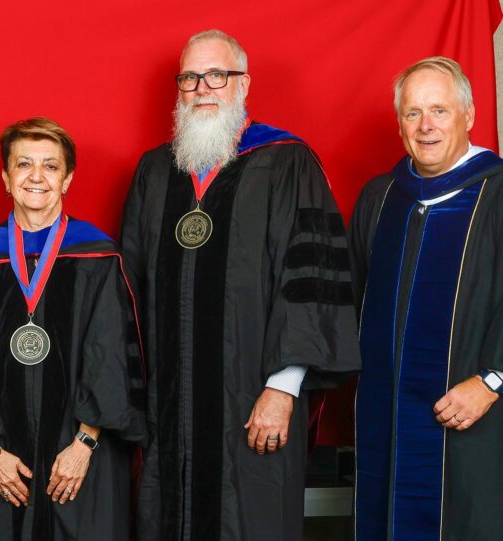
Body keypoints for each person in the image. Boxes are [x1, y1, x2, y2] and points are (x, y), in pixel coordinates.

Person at [119, 30, 360, 540]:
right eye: (189, 77)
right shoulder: (156, 171)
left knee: (251, 518)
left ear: (243, 83)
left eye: (216, 75)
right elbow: (131, 294)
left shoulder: (286, 162)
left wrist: (283, 386)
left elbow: (310, 279)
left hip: (255, 396)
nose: (202, 87)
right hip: (170, 403)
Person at [0, 117, 145, 540]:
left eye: (50, 166)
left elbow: (111, 355)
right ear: (6, 178)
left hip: (83, 458)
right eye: (23, 164)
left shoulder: (99, 257)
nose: (36, 176)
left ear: (67, 180)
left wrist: (84, 446)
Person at [350, 56, 503, 541]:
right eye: (413, 113)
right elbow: (352, 302)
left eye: (439, 110)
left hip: (476, 418)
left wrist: (492, 381)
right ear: (399, 124)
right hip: (386, 422)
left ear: (469, 115)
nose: (426, 126)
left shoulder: (497, 194)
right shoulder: (380, 198)